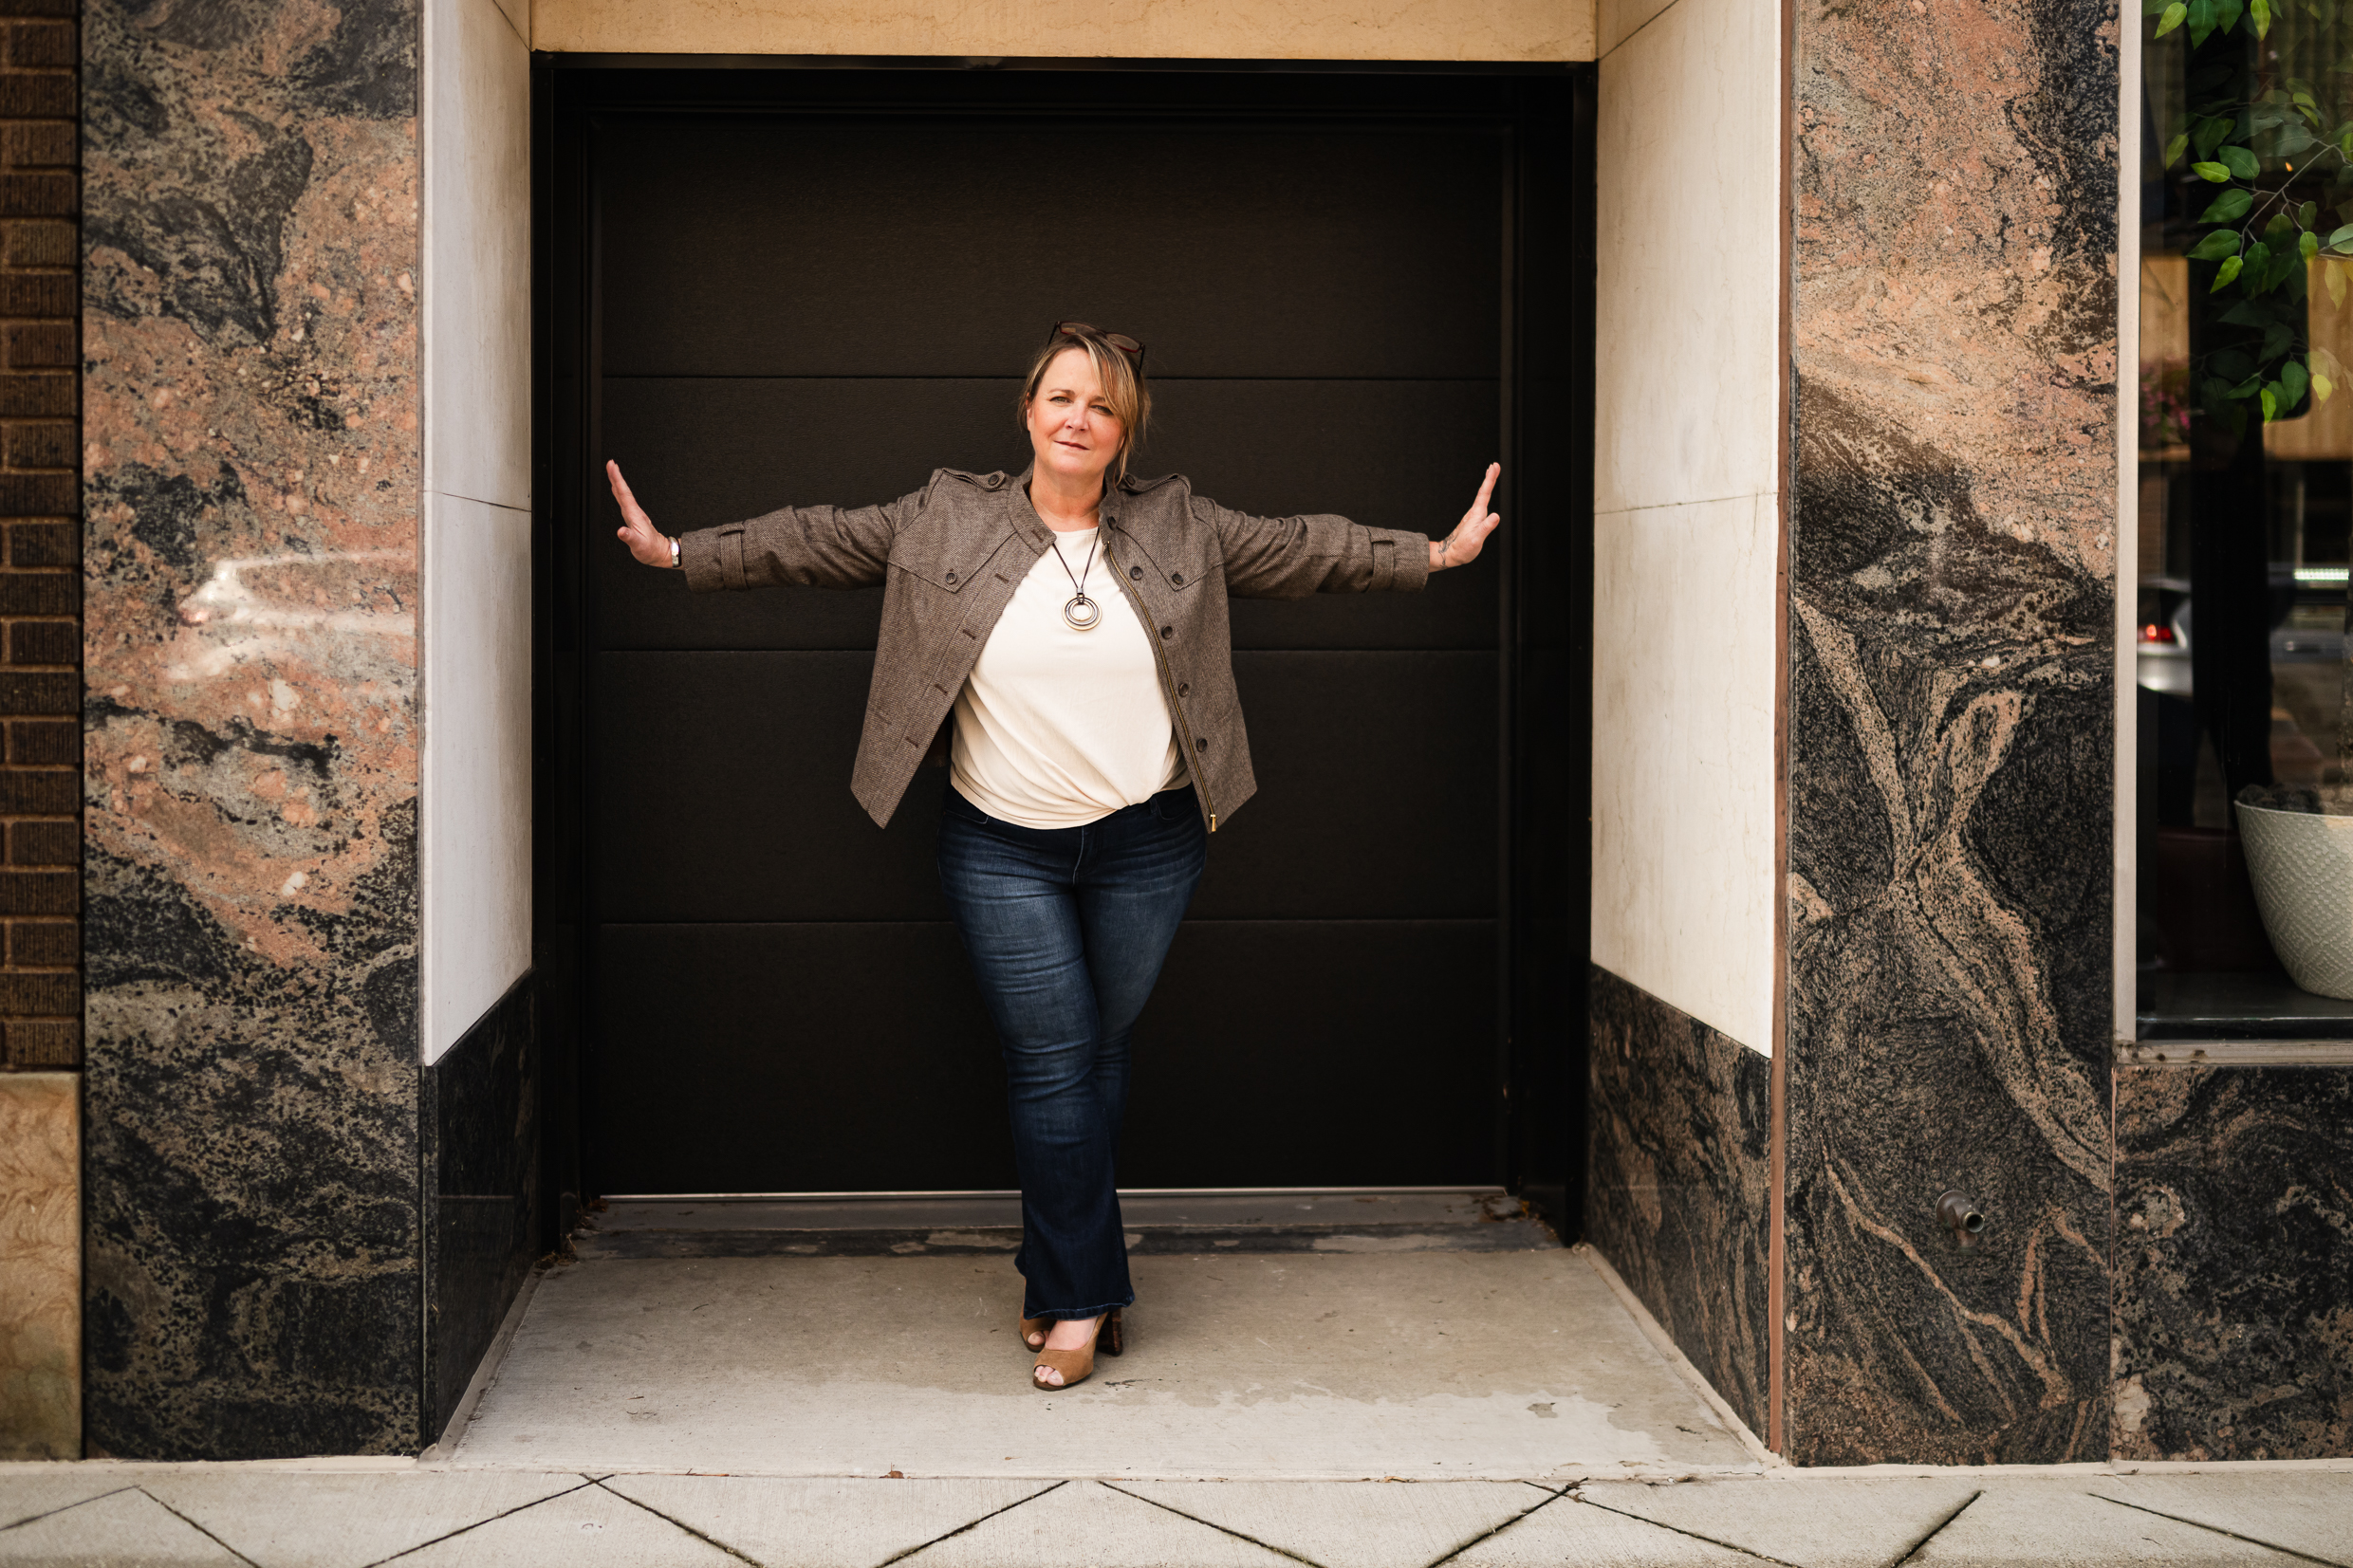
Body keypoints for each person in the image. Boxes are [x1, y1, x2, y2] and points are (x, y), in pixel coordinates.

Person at [606, 321, 1501, 1390]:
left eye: (1103, 405)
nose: (1079, 418)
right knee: (1054, 1060)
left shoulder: (1181, 522)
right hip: (1002, 846)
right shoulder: (943, 515)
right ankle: (1082, 1298)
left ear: (1126, 431)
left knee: (1094, 1055)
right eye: (1062, 397)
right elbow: (815, 539)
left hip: (1149, 843)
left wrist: (1434, 554)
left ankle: (1051, 1268)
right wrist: (678, 552)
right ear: (1028, 411)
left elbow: (1304, 547)